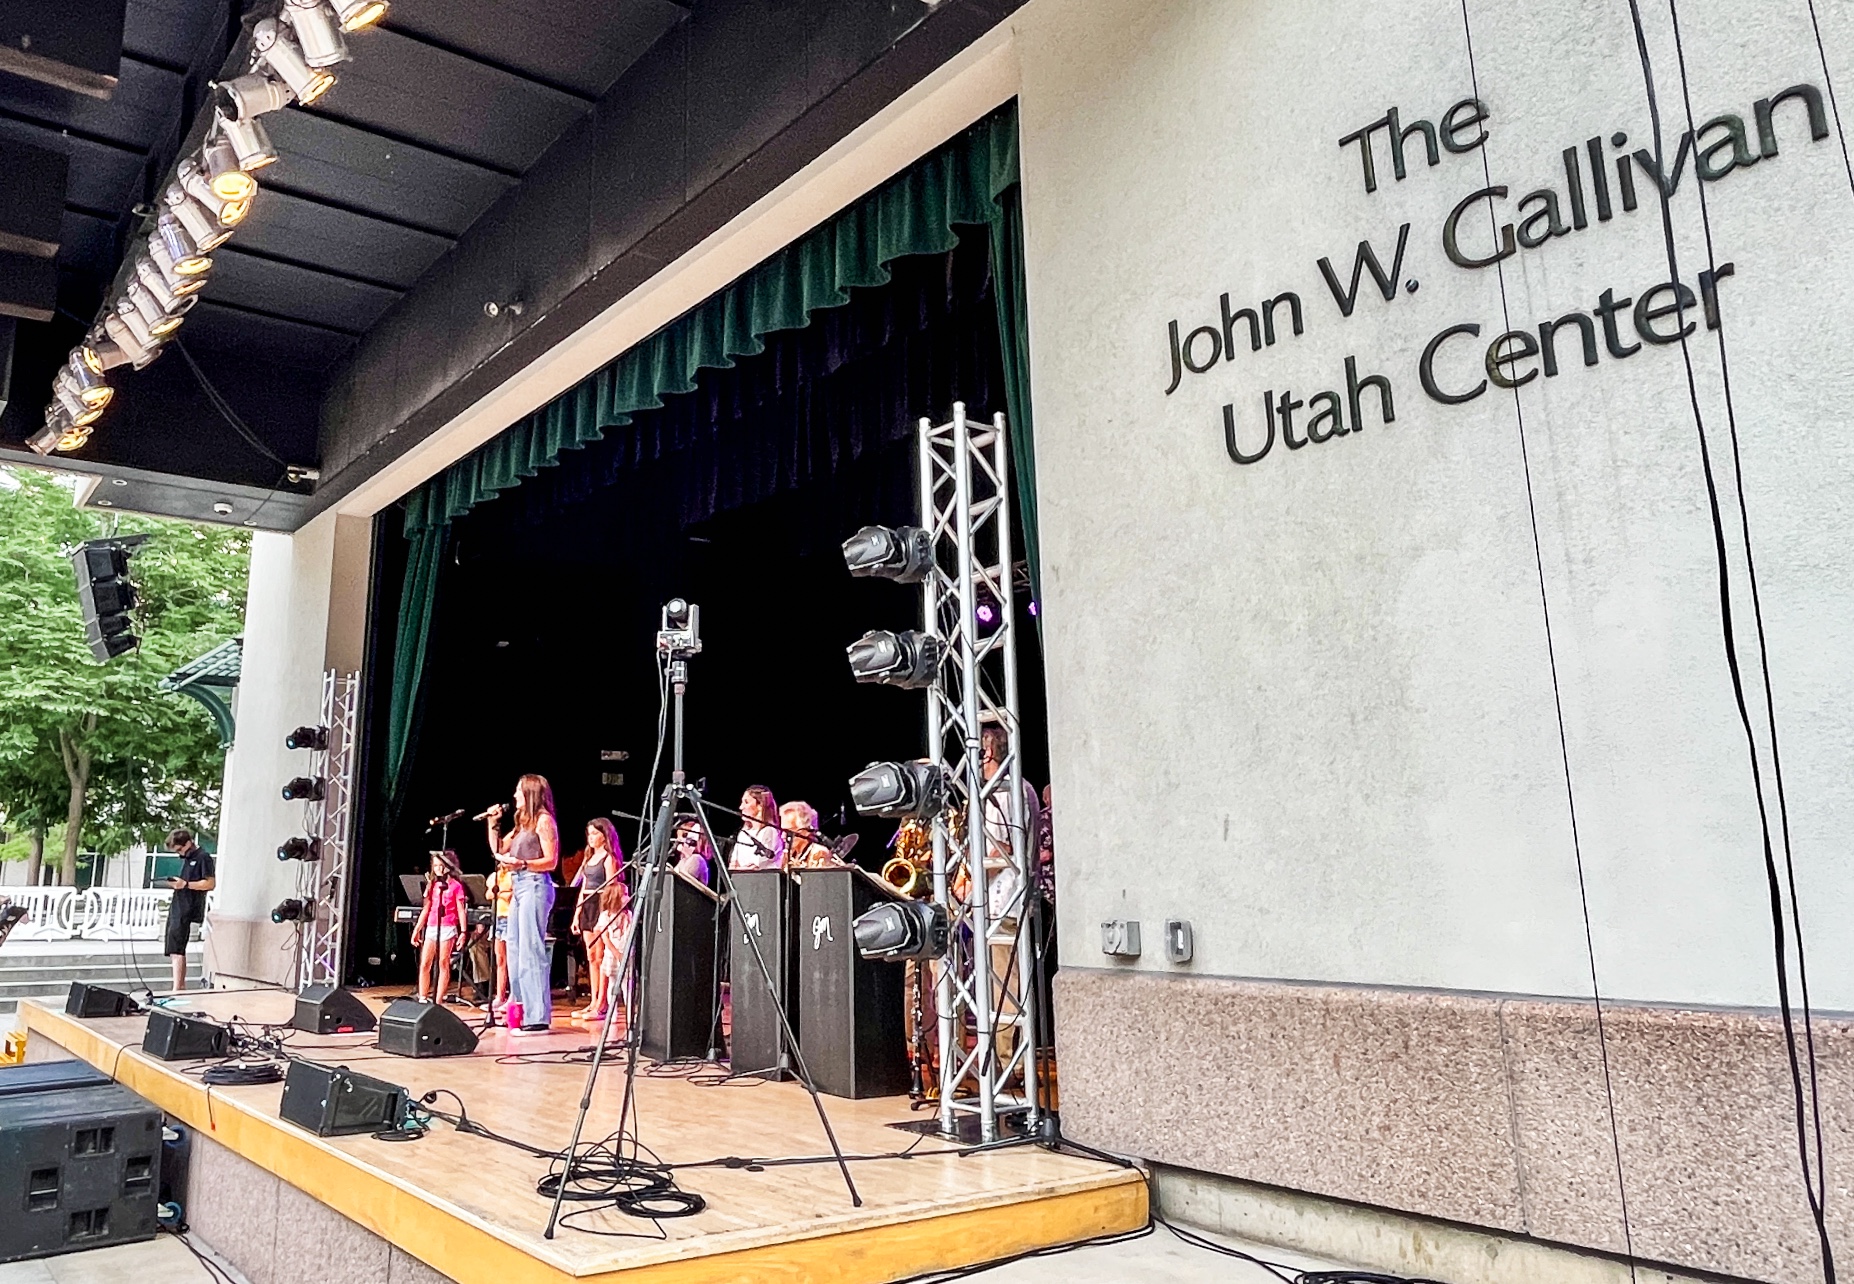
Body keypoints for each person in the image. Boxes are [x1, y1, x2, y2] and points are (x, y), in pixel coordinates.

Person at [486, 773, 560, 1034]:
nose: (515, 796)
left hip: (535, 884)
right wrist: (493, 825)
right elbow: (500, 850)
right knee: (514, 947)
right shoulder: (521, 823)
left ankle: (537, 1015)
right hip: (518, 884)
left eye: (518, 791)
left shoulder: (543, 821)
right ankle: (519, 1009)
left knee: (530, 948)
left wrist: (524, 864)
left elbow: (551, 860)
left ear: (530, 793)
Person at [572, 819, 621, 1018]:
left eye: (595, 833)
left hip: (601, 906)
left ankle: (602, 1003)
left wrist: (607, 914)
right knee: (591, 956)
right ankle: (593, 1001)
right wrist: (577, 913)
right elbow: (584, 887)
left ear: (604, 835)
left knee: (600, 956)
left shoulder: (609, 858)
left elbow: (612, 888)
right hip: (587, 905)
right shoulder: (588, 857)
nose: (591, 838)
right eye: (589, 834)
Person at [411, 851, 467, 1005]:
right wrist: (417, 929)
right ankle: (423, 997)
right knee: (425, 963)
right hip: (431, 926)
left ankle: (438, 1000)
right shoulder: (433, 885)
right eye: (435, 866)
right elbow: (426, 909)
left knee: (443, 963)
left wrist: (463, 931)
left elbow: (461, 910)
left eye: (441, 866)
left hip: (448, 926)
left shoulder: (456, 886)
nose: (438, 869)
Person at [162, 828, 215, 992]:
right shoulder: (187, 858)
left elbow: (210, 883)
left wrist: (185, 884)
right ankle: (178, 985)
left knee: (178, 947)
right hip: (179, 903)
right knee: (173, 947)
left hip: (189, 905)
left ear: (188, 843)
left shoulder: (203, 857)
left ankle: (178, 987)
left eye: (180, 849)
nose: (179, 853)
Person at [587, 878, 632, 1024]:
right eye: (624, 894)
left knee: (628, 987)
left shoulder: (628, 915)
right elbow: (601, 934)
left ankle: (630, 1016)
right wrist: (615, 951)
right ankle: (612, 1016)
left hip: (626, 954)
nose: (628, 897)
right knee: (612, 985)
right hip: (612, 956)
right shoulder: (606, 916)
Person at [728, 785, 784, 871]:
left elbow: (756, 866)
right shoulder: (743, 833)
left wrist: (739, 869)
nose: (741, 807)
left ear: (760, 806)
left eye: (746, 802)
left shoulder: (769, 831)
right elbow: (733, 865)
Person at [779, 801, 837, 869]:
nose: (783, 836)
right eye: (782, 831)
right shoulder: (788, 855)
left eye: (789, 832)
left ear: (805, 831)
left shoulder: (819, 854)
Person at [671, 817, 714, 885]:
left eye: (689, 841)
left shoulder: (697, 859)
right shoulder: (683, 861)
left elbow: (681, 883)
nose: (682, 844)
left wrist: (685, 853)